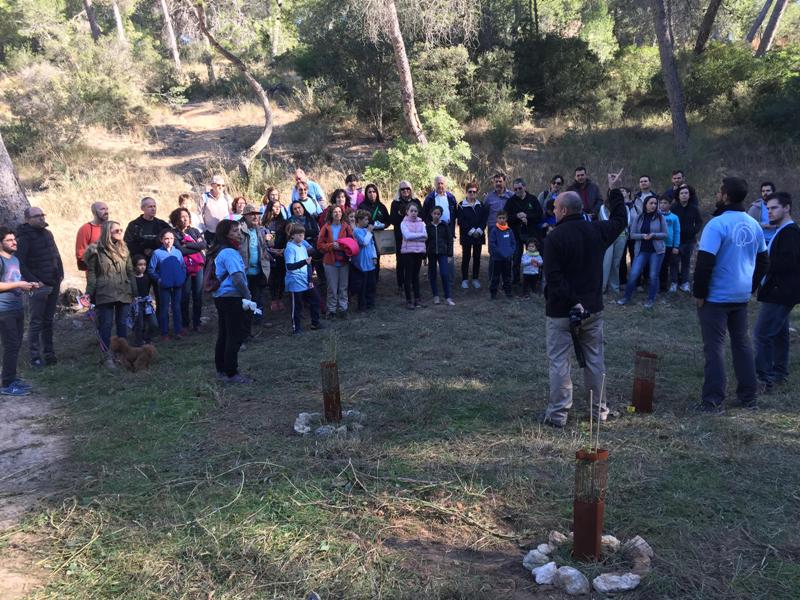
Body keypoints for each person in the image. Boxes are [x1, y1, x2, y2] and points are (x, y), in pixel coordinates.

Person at [541, 172, 627, 429]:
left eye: (555, 207)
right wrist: (614, 192)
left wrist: (572, 302)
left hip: (560, 311)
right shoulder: (597, 231)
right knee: (594, 359)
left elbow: (554, 279)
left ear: (564, 210)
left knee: (559, 362)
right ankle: (597, 411)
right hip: (592, 308)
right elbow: (621, 219)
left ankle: (558, 415)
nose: (553, 211)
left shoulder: (554, 237)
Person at [693, 177, 769, 413]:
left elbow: (704, 263)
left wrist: (699, 294)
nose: (717, 194)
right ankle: (749, 397)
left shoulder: (716, 225)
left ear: (725, 196)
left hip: (716, 298)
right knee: (742, 345)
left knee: (714, 348)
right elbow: (763, 261)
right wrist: (750, 286)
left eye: (719, 191)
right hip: (740, 296)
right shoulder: (753, 224)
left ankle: (713, 401)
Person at [754, 192, 799, 393]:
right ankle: (779, 372)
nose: (770, 212)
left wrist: (763, 265)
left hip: (780, 292)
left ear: (787, 207)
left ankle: (765, 379)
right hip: (781, 290)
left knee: (763, 334)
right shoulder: (784, 231)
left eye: (774, 208)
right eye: (768, 208)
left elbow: (788, 263)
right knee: (779, 333)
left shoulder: (790, 232)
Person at [84, 221, 137, 368]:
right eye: (116, 231)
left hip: (123, 291)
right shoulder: (95, 251)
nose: (120, 232)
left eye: (121, 230)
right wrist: (88, 294)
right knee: (105, 325)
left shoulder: (124, 248)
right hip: (104, 292)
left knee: (122, 325)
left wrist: (135, 292)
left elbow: (130, 271)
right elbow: (92, 274)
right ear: (108, 232)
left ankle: (123, 354)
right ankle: (107, 356)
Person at [16, 207, 63, 368]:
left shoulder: (47, 234)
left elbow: (56, 255)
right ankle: (35, 357)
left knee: (48, 321)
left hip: (53, 282)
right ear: (27, 219)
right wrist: (34, 281)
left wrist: (61, 275)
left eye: (43, 215)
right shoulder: (23, 238)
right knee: (36, 322)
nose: (42, 218)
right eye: (37, 216)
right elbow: (19, 263)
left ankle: (49, 354)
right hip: (38, 286)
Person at [208, 219, 252, 383]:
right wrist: (247, 296)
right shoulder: (230, 253)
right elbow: (238, 278)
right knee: (234, 335)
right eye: (235, 231)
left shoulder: (219, 250)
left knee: (224, 334)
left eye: (239, 231)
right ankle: (232, 373)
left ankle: (222, 370)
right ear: (225, 234)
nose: (239, 234)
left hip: (221, 297)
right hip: (232, 297)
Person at [0, 227, 39, 395]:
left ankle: (12, 378)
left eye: (14, 239)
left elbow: (15, 280)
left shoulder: (15, 260)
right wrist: (19, 285)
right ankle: (7, 384)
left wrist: (28, 285)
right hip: (3, 310)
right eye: (9, 240)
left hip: (17, 308)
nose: (14, 242)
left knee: (15, 345)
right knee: (11, 345)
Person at [617, 196, 668, 309]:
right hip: (641, 251)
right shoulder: (639, 218)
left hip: (657, 251)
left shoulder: (660, 217)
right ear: (645, 204)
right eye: (651, 203)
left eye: (655, 203)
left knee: (653, 275)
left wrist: (654, 235)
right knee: (634, 274)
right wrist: (643, 236)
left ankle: (651, 299)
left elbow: (665, 234)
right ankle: (626, 297)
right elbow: (632, 234)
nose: (654, 205)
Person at [170, 207, 206, 333]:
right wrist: (195, 247)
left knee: (198, 295)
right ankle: (185, 323)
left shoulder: (194, 231)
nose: (185, 219)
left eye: (187, 216)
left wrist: (188, 245)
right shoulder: (173, 234)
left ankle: (197, 323)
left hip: (198, 267)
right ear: (176, 219)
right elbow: (180, 250)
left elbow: (203, 245)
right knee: (184, 296)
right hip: (183, 268)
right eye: (182, 216)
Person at [239, 205, 271, 336]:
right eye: (251, 214)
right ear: (245, 216)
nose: (255, 216)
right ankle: (246, 327)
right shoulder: (239, 229)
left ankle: (257, 322)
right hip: (244, 272)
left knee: (258, 296)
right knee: (246, 299)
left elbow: (263, 249)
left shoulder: (259, 229)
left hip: (259, 270)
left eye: (257, 214)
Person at [148, 229, 187, 340]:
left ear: (174, 239)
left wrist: (182, 277)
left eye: (171, 238)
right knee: (164, 308)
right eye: (166, 238)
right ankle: (164, 332)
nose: (168, 241)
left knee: (176, 307)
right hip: (164, 285)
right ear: (161, 240)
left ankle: (178, 330)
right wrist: (159, 280)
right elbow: (151, 269)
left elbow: (183, 267)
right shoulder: (157, 253)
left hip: (178, 284)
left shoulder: (177, 252)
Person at [317, 205, 354, 318]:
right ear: (331, 214)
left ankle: (343, 309)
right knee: (332, 288)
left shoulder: (346, 227)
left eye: (339, 212)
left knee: (343, 287)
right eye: (335, 212)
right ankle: (331, 310)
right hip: (330, 261)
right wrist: (332, 246)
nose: (337, 214)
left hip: (343, 261)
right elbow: (319, 245)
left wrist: (343, 246)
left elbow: (352, 242)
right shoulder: (326, 227)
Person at [284, 223, 322, 333]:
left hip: (305, 280)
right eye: (299, 235)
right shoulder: (290, 248)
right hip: (295, 281)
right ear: (292, 235)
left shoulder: (303, 246)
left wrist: (310, 279)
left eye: (303, 235)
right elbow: (289, 266)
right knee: (298, 306)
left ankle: (315, 323)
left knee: (315, 300)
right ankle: (297, 328)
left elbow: (309, 264)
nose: (301, 237)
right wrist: (303, 262)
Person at [505, 178, 543, 285]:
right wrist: (517, 216)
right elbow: (506, 217)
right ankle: (516, 281)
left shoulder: (533, 199)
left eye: (519, 188)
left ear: (524, 187)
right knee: (516, 258)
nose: (517, 191)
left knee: (533, 257)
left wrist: (527, 216)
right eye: (515, 189)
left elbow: (539, 215)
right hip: (516, 234)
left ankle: (534, 281)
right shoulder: (511, 201)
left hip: (531, 234)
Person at [671, 184, 703, 293]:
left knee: (686, 262)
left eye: (686, 193)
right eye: (681, 193)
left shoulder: (694, 208)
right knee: (674, 262)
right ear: (678, 196)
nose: (684, 195)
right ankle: (674, 283)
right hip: (676, 241)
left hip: (689, 241)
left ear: (689, 195)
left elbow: (699, 222)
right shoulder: (674, 208)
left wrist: (693, 231)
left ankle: (685, 283)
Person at [455, 181, 487, 290]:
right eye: (470, 191)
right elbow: (461, 221)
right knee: (466, 257)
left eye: (474, 191)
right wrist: (472, 231)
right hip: (467, 235)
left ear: (477, 192)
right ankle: (464, 279)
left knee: (477, 257)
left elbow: (484, 219)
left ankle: (475, 278)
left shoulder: (481, 205)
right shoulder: (461, 205)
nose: (472, 193)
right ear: (466, 192)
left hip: (479, 235)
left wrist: (479, 230)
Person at [390, 181, 417, 292]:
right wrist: (402, 214)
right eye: (402, 189)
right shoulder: (395, 203)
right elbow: (392, 220)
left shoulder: (416, 201)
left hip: (414, 236)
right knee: (401, 261)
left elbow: (422, 216)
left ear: (411, 190)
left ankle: (412, 282)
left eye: (408, 188)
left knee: (414, 260)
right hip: (400, 236)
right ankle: (400, 284)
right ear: (399, 191)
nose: (405, 191)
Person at [599, 190, 628, 294]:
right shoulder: (603, 207)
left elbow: (627, 221)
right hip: (608, 236)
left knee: (616, 263)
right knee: (606, 262)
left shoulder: (625, 207)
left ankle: (614, 287)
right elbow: (605, 219)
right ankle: (602, 287)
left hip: (622, 236)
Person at [263, 197, 288, 311]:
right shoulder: (265, 223)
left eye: (279, 207)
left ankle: (280, 298)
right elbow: (263, 238)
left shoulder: (284, 222)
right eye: (275, 206)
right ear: (270, 208)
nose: (277, 209)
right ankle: (273, 299)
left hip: (282, 252)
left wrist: (283, 250)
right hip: (269, 253)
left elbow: (288, 237)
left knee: (281, 276)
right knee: (272, 277)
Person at [400, 202, 427, 309]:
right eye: (411, 211)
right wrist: (420, 236)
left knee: (416, 276)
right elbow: (407, 236)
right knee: (408, 276)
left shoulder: (422, 223)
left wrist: (414, 237)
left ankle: (417, 299)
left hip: (419, 252)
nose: (413, 213)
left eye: (415, 211)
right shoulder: (403, 223)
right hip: (408, 253)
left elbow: (425, 237)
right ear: (407, 212)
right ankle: (408, 300)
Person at [426, 206, 455, 306]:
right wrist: (424, 256)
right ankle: (436, 296)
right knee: (432, 274)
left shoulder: (445, 225)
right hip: (431, 253)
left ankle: (448, 297)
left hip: (443, 252)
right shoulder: (428, 226)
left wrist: (450, 254)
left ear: (441, 215)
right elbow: (426, 241)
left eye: (438, 214)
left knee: (444, 274)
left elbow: (450, 240)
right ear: (431, 214)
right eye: (435, 213)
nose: (436, 216)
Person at [352, 210, 378, 311]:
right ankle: (361, 305)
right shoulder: (356, 231)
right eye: (366, 219)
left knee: (371, 284)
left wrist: (374, 257)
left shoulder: (366, 231)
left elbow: (372, 244)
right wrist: (369, 232)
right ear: (359, 220)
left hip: (370, 261)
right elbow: (364, 242)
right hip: (362, 262)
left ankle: (370, 303)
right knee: (362, 285)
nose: (368, 221)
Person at [130, 255, 158, 346]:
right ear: (134, 266)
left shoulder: (147, 277)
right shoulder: (131, 279)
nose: (143, 267)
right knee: (139, 324)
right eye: (140, 265)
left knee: (154, 324)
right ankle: (139, 342)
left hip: (147, 302)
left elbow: (152, 289)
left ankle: (147, 338)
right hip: (136, 303)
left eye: (144, 264)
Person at [488, 210, 515, 299]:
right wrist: (500, 253)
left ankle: (508, 292)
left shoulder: (509, 230)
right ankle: (493, 293)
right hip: (497, 258)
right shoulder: (494, 230)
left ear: (506, 219)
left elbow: (513, 243)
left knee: (507, 276)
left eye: (503, 218)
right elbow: (492, 244)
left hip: (507, 258)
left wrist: (510, 252)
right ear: (496, 219)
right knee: (495, 276)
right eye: (500, 218)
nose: (501, 220)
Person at [75, 202, 109, 273]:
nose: (106, 212)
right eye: (102, 209)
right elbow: (80, 254)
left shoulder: (111, 227)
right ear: (94, 212)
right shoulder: (86, 229)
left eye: (107, 209)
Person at [658, 196, 681, 293]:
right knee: (658, 265)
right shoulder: (656, 215)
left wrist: (676, 246)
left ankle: (663, 286)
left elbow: (677, 231)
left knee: (666, 265)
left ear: (669, 205)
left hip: (669, 245)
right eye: (661, 203)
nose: (663, 205)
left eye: (665, 203)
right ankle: (655, 284)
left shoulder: (674, 217)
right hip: (657, 244)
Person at [201, 174, 233, 245]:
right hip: (210, 232)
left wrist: (230, 227)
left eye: (223, 185)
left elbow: (231, 214)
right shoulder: (204, 197)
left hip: (224, 232)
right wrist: (204, 228)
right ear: (212, 185)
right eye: (218, 185)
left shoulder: (227, 197)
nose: (221, 187)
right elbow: (199, 214)